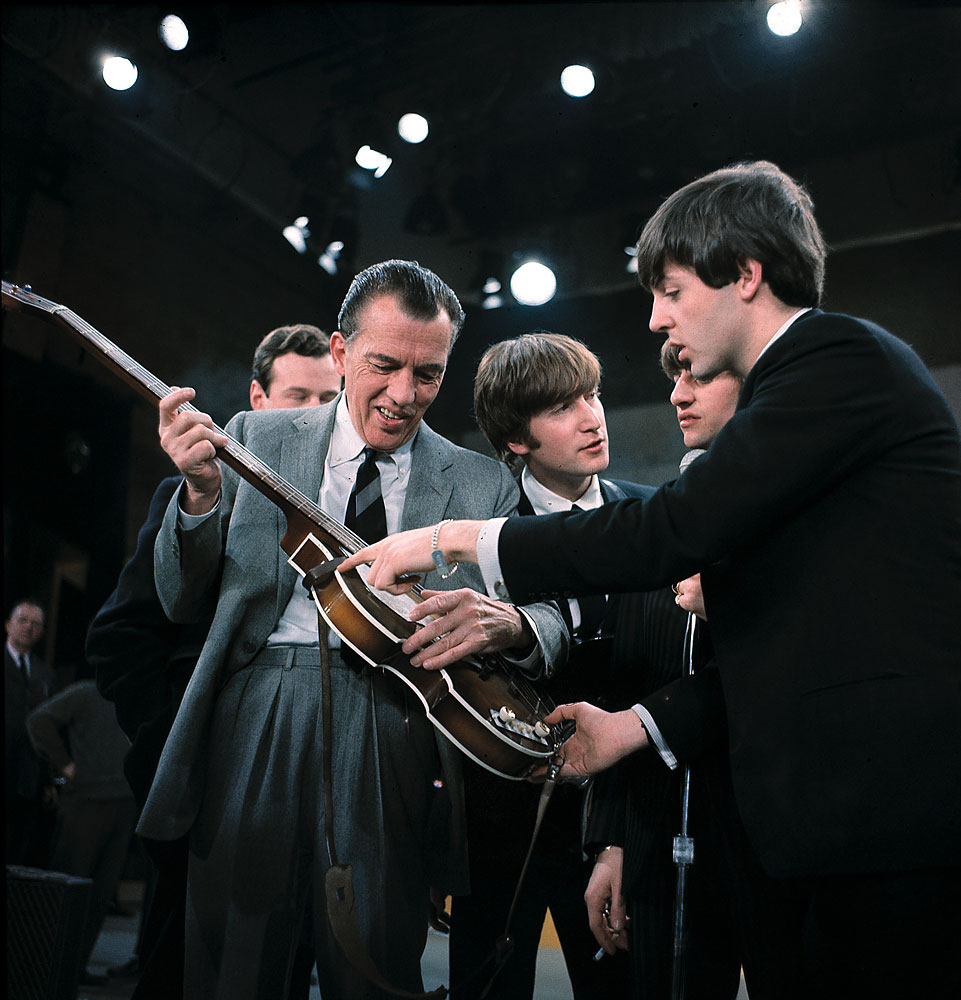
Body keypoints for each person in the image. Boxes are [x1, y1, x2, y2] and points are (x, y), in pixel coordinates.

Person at [343, 163, 961, 1000]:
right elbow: (783, 647)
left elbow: (669, 529)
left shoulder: (837, 361)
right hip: (838, 827)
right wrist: (629, 730)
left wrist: (454, 537)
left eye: (672, 290)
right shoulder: (799, 395)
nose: (657, 318)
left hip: (901, 817)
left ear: (746, 274)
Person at [142, 260, 569, 999]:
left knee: (373, 965)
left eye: (429, 375)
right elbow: (180, 600)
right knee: (234, 968)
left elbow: (554, 622)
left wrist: (507, 626)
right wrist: (200, 497)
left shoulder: (483, 484)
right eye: (385, 365)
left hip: (398, 724)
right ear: (339, 353)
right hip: (258, 716)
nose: (405, 396)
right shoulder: (253, 439)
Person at [87, 322, 340, 998]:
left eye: (329, 401)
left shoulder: (337, 509)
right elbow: (118, 639)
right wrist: (183, 736)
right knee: (180, 970)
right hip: (203, 790)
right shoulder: (198, 493)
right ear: (257, 400)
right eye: (297, 397)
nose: (315, 418)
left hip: (301, 799)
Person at [447, 331, 637, 998]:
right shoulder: (472, 532)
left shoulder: (647, 514)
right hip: (502, 821)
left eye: (592, 395)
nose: (591, 416)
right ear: (517, 439)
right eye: (562, 407)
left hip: (616, 816)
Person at [583, 343, 742, 998]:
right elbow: (633, 684)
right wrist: (615, 842)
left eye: (699, 376)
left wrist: (737, 597)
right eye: (674, 376)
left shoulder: (808, 516)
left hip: (777, 836)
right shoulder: (660, 521)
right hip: (662, 840)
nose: (678, 393)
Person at [26, 667, 135, 986]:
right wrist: (66, 766)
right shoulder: (86, 692)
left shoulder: (132, 700)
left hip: (123, 803)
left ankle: (74, 968)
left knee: (101, 892)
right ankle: (46, 967)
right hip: (86, 802)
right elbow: (39, 721)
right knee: (70, 886)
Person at [5, 599, 56, 867]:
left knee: (17, 850)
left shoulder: (45, 674)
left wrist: (47, 778)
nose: (29, 627)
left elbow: (47, 726)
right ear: (8, 625)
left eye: (36, 624)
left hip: (27, 776)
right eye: (23, 620)